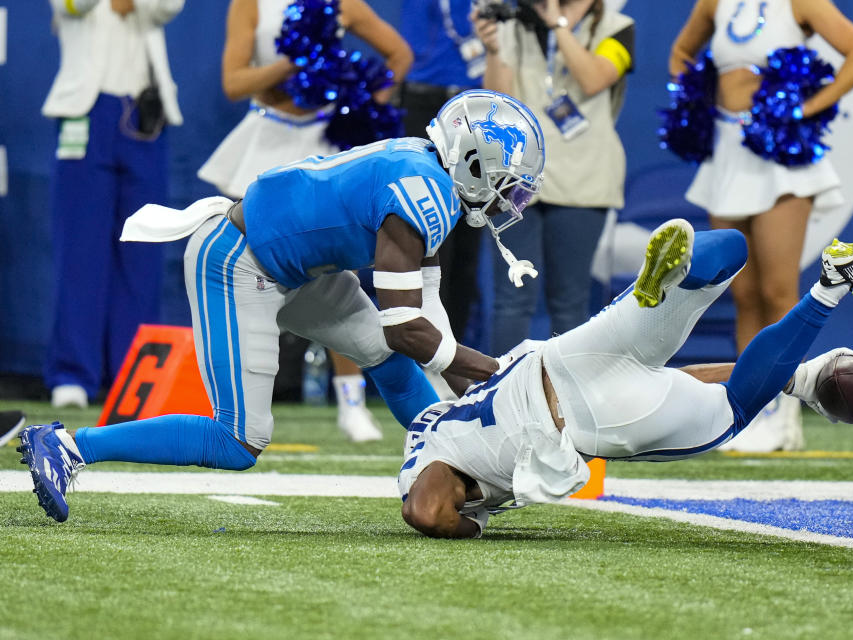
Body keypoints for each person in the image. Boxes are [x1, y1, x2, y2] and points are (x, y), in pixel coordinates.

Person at [17, 89, 546, 523]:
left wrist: (475, 389)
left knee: (390, 359)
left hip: (297, 267)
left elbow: (425, 319)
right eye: (509, 182)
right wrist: (495, 373)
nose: (510, 198)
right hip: (239, 260)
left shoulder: (429, 175)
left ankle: (444, 462)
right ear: (476, 162)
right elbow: (406, 325)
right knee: (239, 440)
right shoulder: (422, 190)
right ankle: (68, 445)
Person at [397, 220, 853, 538]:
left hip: (580, 423)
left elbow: (427, 512)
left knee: (731, 411)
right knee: (731, 250)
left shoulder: (430, 457)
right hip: (562, 359)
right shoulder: (463, 405)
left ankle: (829, 289)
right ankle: (688, 279)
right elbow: (677, 379)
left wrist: (473, 528)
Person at [198, 0, 414, 442]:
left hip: (322, 144)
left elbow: (400, 54)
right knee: (241, 268)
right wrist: (294, 62)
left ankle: (351, 406)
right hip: (264, 140)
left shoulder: (342, 4)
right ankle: (229, 401)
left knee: (341, 277)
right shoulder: (250, 4)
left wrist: (364, 107)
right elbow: (234, 82)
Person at [671, 0, 853, 452]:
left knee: (777, 292)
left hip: (779, 156)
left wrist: (805, 110)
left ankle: (788, 415)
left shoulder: (802, 2)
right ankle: (750, 411)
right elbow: (682, 53)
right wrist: (695, 97)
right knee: (742, 292)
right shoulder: (715, 2)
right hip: (728, 152)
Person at [42, 0, 185, 410]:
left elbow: (168, 8)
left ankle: (133, 375)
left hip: (146, 113)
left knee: (144, 248)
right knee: (81, 250)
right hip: (85, 112)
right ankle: (73, 373)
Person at [471, 0, 635, 355]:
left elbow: (593, 79)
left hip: (584, 179)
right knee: (511, 299)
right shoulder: (512, 24)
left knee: (570, 303)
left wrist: (558, 25)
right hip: (515, 177)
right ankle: (500, 396)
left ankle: (565, 400)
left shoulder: (616, 27)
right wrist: (494, 50)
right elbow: (497, 104)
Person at [400, 0, 485, 348]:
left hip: (479, 108)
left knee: (470, 235)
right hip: (424, 105)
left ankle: (455, 360)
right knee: (426, 233)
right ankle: (422, 352)